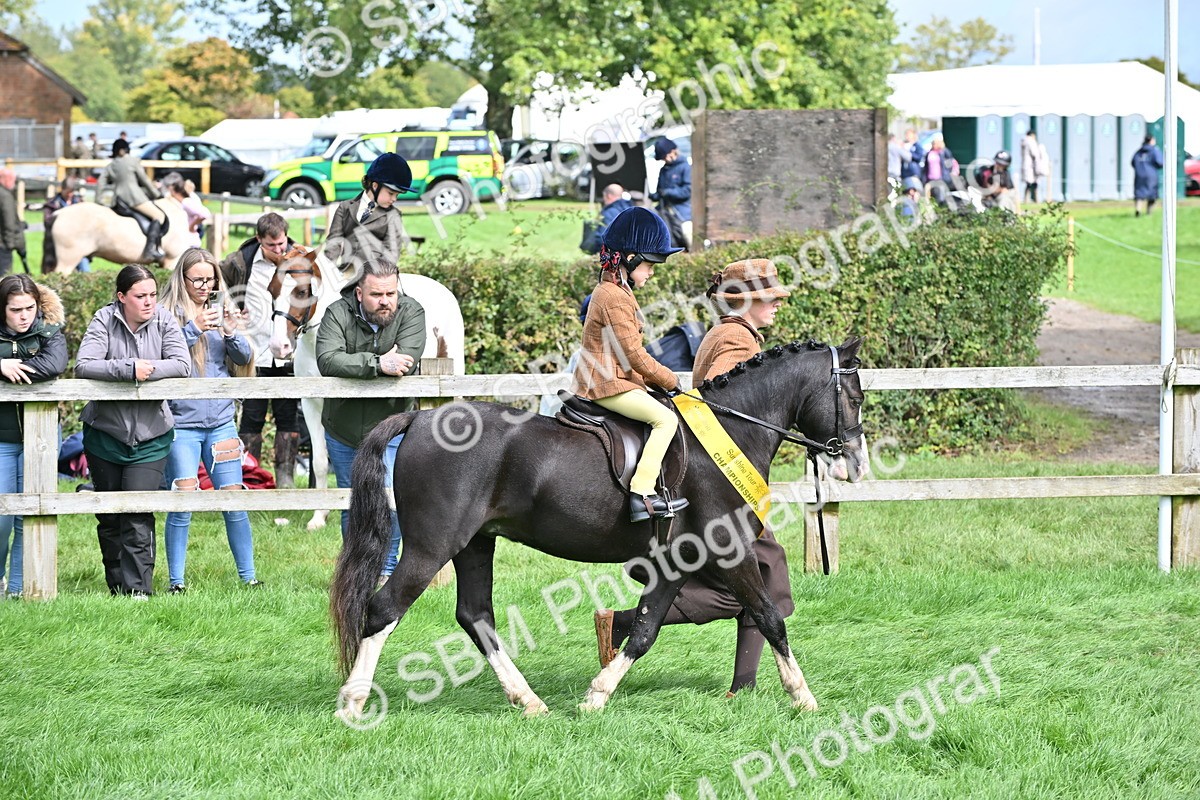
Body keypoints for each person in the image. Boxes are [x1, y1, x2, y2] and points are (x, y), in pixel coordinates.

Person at [595, 258, 793, 694]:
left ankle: (741, 685)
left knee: (755, 582)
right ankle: (740, 686)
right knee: (765, 581)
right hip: (724, 480)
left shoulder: (729, 332)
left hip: (722, 478)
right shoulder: (737, 339)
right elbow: (726, 403)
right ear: (746, 301)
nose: (778, 305)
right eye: (770, 298)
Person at [76, 265, 191, 598]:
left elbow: (182, 364)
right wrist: (128, 369)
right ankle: (117, 587)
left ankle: (139, 590)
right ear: (121, 297)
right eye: (141, 296)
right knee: (110, 515)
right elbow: (84, 364)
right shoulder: (103, 320)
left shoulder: (165, 320)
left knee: (138, 511)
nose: (149, 301)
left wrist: (146, 370)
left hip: (152, 435)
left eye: (153, 294)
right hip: (105, 434)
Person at [571, 206, 687, 522]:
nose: (651, 272)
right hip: (604, 383)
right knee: (666, 420)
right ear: (631, 259)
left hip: (614, 379)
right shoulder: (613, 296)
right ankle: (642, 494)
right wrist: (670, 380)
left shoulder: (617, 291)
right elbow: (634, 355)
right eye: (649, 265)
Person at [315, 258, 425, 578]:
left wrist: (359, 364)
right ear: (360, 293)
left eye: (391, 293)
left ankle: (386, 571)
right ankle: (355, 571)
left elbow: (406, 361)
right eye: (377, 294)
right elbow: (328, 360)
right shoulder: (337, 313)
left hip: (393, 428)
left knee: (390, 500)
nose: (385, 301)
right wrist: (378, 364)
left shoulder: (411, 312)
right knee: (352, 502)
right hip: (344, 428)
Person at [161, 248, 260, 594]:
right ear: (182, 279)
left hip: (221, 423)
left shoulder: (221, 310)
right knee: (183, 502)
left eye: (211, 279)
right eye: (198, 280)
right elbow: (164, 356)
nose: (205, 287)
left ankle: (249, 578)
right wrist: (193, 329)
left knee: (234, 500)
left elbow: (244, 358)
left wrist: (231, 332)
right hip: (181, 424)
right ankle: (176, 582)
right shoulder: (165, 315)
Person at [219, 212, 302, 486]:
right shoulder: (239, 261)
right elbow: (216, 285)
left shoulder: (299, 259)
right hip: (253, 352)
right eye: (271, 245)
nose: (279, 250)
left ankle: (286, 481)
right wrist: (231, 309)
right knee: (251, 420)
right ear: (259, 239)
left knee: (288, 419)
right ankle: (250, 477)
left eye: (282, 243)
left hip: (288, 353)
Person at [0, 275, 67, 599]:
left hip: (40, 437)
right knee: (1, 516)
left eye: (30, 308)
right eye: (16, 310)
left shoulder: (50, 332)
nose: (24, 316)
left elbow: (54, 364)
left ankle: (17, 588)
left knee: (28, 514)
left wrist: (14, 369)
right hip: (2, 439)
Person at [324, 152, 413, 274]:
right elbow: (334, 243)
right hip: (345, 273)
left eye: (397, 195)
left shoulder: (393, 215)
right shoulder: (345, 207)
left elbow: (391, 255)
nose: (394, 199)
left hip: (375, 276)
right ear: (375, 186)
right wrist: (327, 269)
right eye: (391, 193)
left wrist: (373, 278)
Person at [97, 138, 167, 262]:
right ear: (123, 150)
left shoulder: (111, 165)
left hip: (118, 200)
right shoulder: (133, 161)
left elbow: (101, 183)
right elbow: (145, 180)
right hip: (134, 198)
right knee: (159, 216)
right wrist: (156, 194)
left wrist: (99, 201)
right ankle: (150, 249)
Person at [650, 138, 692, 250]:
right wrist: (655, 196)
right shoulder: (663, 170)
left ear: (674, 151)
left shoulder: (685, 167)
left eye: (666, 156)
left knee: (688, 239)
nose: (665, 159)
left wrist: (668, 192)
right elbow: (660, 191)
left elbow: (688, 190)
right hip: (666, 213)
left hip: (683, 214)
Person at [43, 177, 90, 272]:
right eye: (67, 192)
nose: (69, 195)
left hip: (77, 242)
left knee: (84, 268)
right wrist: (61, 214)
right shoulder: (52, 204)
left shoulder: (79, 202)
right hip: (59, 244)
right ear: (62, 189)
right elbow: (47, 221)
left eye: (71, 192)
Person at [161, 172, 210, 248]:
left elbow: (205, 214)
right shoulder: (178, 202)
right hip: (182, 242)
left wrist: (192, 226)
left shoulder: (186, 202)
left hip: (190, 242)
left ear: (172, 190)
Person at [580, 184, 634, 254]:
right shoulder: (630, 210)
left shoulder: (609, 213)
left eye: (604, 196)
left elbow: (602, 238)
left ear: (609, 196)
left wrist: (595, 251)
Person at [0, 168, 27, 277]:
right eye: (12, 180)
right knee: (4, 277)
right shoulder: (5, 196)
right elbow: (9, 223)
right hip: (3, 245)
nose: (13, 183)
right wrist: (10, 245)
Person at [1133, 135, 1165, 217]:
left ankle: (1138, 209)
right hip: (1151, 175)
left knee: (1139, 193)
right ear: (1151, 141)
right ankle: (1149, 213)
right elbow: (1160, 163)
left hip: (1139, 175)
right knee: (1152, 194)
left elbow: (1133, 162)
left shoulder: (1139, 151)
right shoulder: (1155, 150)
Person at [921, 135, 958, 206]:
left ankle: (940, 210)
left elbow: (949, 164)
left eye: (936, 143)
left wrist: (947, 174)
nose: (934, 145)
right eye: (933, 143)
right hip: (930, 179)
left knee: (940, 197)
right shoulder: (929, 153)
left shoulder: (944, 152)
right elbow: (926, 167)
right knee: (927, 196)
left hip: (941, 179)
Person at [1020, 130, 1050, 204]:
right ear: (1032, 135)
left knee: (1029, 183)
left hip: (1027, 165)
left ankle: (1027, 199)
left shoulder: (1023, 142)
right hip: (1031, 166)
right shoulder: (1030, 141)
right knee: (1032, 183)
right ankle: (1035, 199)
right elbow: (1034, 153)